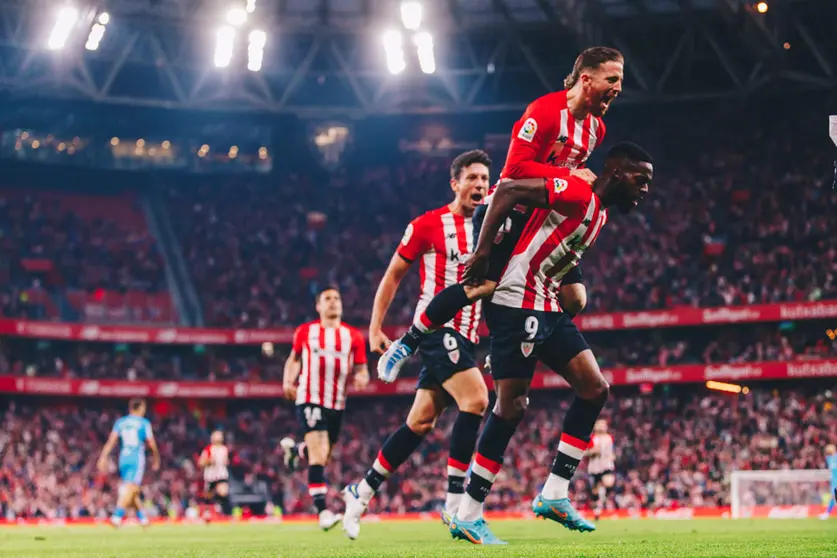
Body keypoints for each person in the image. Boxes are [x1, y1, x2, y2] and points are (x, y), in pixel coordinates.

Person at [378, 46, 624, 382]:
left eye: (620, 81)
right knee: (481, 287)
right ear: (586, 79)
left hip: (542, 220)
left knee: (575, 297)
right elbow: (514, 171)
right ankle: (408, 343)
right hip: (508, 210)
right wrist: (568, 176)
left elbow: (566, 171)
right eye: (612, 79)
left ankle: (509, 345)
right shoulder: (545, 112)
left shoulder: (597, 129)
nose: (618, 87)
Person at [448, 142, 653, 545]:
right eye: (640, 179)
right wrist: (484, 252)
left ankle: (555, 493)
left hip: (546, 306)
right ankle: (468, 512)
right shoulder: (577, 191)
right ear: (615, 172)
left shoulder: (601, 211)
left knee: (595, 389)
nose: (645, 190)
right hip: (515, 300)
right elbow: (506, 191)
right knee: (511, 408)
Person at [340, 150, 495, 540]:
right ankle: (455, 501)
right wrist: (374, 328)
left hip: (468, 336)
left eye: (484, 179)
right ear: (455, 183)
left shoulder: (492, 227)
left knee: (420, 422)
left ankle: (362, 491)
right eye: (472, 178)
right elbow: (393, 275)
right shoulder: (428, 225)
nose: (479, 185)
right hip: (436, 330)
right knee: (476, 400)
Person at [280, 286, 370, 531]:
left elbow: (362, 367)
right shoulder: (306, 332)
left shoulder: (353, 337)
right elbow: (295, 359)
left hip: (336, 404)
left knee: (323, 456)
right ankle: (323, 512)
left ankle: (296, 450)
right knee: (319, 455)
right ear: (318, 306)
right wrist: (288, 380)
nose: (333, 302)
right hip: (310, 398)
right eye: (327, 299)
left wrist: (362, 378)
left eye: (337, 298)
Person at [97, 398, 161, 528]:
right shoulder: (144, 423)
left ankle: (143, 519)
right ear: (141, 408)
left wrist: (103, 456)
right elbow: (152, 443)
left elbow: (112, 440)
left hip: (124, 457)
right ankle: (117, 516)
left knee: (132, 489)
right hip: (136, 457)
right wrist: (156, 458)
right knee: (132, 488)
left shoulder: (121, 422)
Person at [587, 419, 616, 521]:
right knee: (595, 491)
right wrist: (592, 452)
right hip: (595, 467)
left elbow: (611, 450)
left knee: (608, 482)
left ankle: (602, 498)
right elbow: (586, 452)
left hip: (606, 465)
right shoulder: (592, 438)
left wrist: (612, 455)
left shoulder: (609, 438)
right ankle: (597, 511)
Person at [198, 430, 231, 518]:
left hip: (221, 475)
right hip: (211, 476)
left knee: (223, 492)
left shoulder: (224, 449)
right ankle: (209, 512)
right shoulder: (208, 449)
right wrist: (208, 461)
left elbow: (225, 461)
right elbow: (201, 462)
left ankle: (226, 513)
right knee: (208, 496)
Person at [819, 444, 837, 520]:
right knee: (833, 497)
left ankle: (827, 513)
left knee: (833, 497)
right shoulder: (829, 459)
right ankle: (827, 513)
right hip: (834, 481)